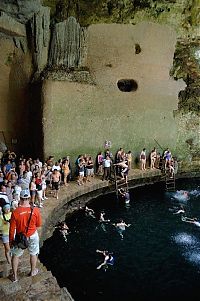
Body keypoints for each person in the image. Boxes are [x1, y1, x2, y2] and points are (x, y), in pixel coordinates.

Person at [9, 189, 42, 282]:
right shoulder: (35, 210)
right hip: (33, 235)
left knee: (15, 256)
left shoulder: (15, 212)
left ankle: (15, 277)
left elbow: (11, 230)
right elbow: (38, 224)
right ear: (29, 198)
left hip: (21, 238)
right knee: (33, 253)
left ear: (20, 198)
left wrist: (11, 241)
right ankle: (32, 271)